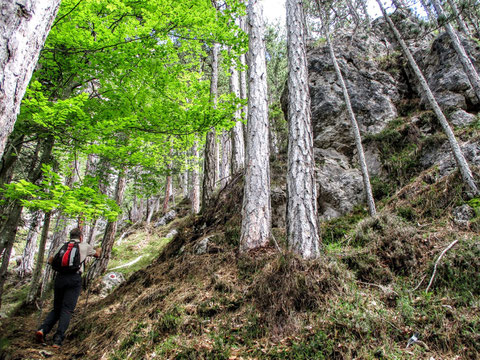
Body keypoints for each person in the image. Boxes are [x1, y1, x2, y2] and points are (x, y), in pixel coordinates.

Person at [35, 228, 101, 348]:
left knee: (56, 308)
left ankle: (42, 330)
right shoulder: (84, 246)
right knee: (67, 309)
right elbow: (97, 255)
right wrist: (99, 249)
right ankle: (57, 339)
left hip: (60, 278)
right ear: (81, 237)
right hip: (74, 279)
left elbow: (50, 260)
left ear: (70, 236)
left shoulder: (62, 246)